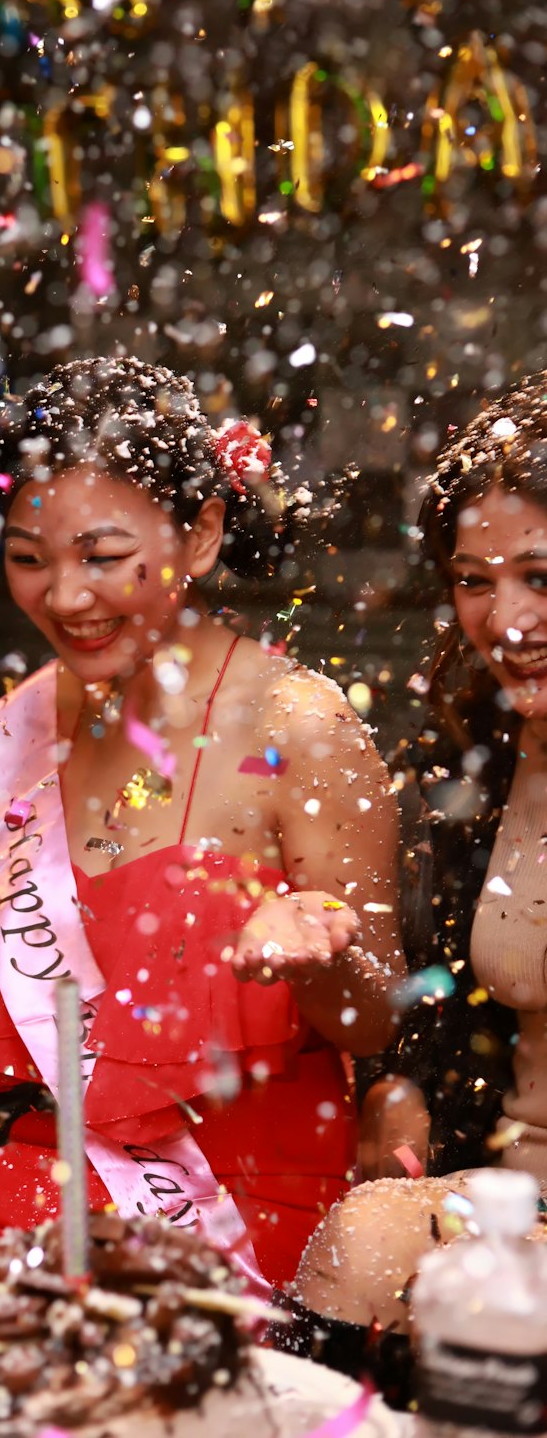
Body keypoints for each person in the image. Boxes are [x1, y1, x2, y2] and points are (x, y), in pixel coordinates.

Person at [0, 355, 403, 1289]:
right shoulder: (32, 719)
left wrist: (320, 956)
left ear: (204, 535)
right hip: (66, 1164)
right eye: (29, 559)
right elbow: (99, 986)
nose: (63, 597)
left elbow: (374, 1022)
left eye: (102, 557)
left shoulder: (302, 727)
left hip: (238, 1197)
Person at [287, 371, 547, 1358]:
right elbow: (429, 1003)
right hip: (501, 1195)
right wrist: (395, 1086)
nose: (506, 620)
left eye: (540, 575)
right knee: (362, 1240)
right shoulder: (467, 766)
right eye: (474, 580)